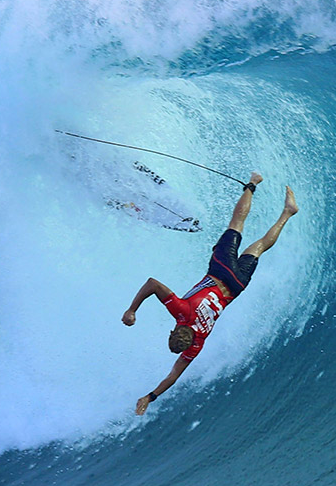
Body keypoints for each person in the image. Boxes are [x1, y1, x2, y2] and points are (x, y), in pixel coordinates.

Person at [123, 173, 298, 415]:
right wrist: (132, 310)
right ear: (174, 329)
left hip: (237, 286)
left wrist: (152, 397)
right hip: (221, 270)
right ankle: (253, 184)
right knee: (236, 225)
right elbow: (152, 283)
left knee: (259, 247)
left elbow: (174, 376)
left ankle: (287, 213)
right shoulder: (181, 312)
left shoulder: (199, 342)